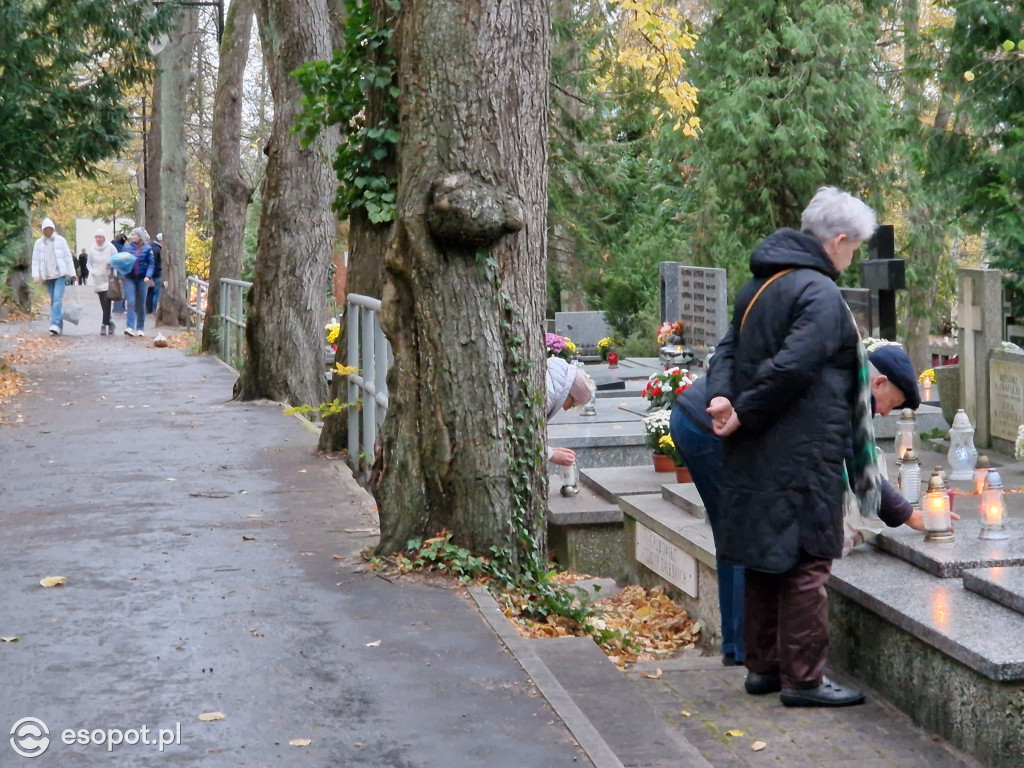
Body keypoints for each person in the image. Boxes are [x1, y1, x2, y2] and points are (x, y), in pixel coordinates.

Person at [705, 186, 882, 708]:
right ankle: (804, 679)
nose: (851, 260)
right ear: (840, 240)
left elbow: (727, 349)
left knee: (766, 559)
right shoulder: (820, 294)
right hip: (804, 451)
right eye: (854, 249)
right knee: (807, 562)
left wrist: (723, 395)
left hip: (759, 449)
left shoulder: (759, 284)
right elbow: (794, 367)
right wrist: (742, 409)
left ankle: (764, 668)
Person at [671, 343, 942, 671]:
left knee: (733, 539)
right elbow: (857, 462)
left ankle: (737, 647)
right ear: (879, 382)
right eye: (891, 404)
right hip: (711, 430)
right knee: (749, 540)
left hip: (694, 420)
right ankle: (746, 651)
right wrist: (910, 515)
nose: (884, 413)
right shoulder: (842, 389)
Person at [545, 357, 595, 467]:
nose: (566, 408)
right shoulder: (549, 394)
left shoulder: (552, 383)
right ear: (570, 394)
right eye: (572, 405)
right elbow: (525, 429)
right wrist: (551, 454)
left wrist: (551, 449)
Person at [31, 217, 76, 336]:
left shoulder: (60, 241)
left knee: (57, 299)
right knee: (54, 301)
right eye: (45, 229)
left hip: (60, 275)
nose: (48, 231)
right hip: (47, 276)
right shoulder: (39, 243)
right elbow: (35, 260)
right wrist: (36, 275)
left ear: (53, 229)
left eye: (50, 229)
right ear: (42, 231)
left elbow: (67, 257)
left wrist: (72, 273)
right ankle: (59, 324)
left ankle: (54, 323)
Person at [121, 227, 154, 337]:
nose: (132, 236)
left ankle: (140, 328)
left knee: (141, 304)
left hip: (142, 279)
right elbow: (122, 262)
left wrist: (148, 276)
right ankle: (130, 327)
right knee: (131, 301)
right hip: (129, 278)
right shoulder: (127, 248)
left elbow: (151, 264)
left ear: (140, 237)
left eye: (134, 234)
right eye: (132, 234)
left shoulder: (147, 249)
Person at [86, 229, 118, 335]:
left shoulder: (111, 247)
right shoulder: (91, 250)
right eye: (96, 237)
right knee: (103, 303)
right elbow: (88, 264)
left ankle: (104, 325)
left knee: (107, 300)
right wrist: (93, 272)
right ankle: (111, 322)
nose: (98, 239)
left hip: (109, 278)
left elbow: (117, 259)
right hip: (98, 279)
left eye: (100, 237)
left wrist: (111, 264)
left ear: (104, 238)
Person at [147, 232, 163, 314]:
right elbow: (156, 263)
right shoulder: (157, 249)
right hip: (156, 274)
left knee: (150, 292)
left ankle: (148, 309)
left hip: (149, 273)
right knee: (157, 292)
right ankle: (155, 310)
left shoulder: (150, 246)